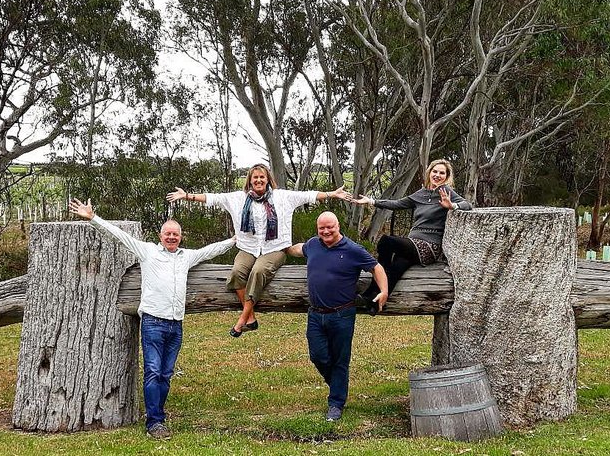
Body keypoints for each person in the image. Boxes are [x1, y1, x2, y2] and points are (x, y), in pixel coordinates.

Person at [68, 198, 235, 440]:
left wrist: (234, 241)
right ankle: (154, 422)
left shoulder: (186, 257)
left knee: (166, 374)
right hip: (153, 322)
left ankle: (158, 414)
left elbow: (210, 250)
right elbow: (119, 236)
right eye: (168, 234)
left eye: (175, 234)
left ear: (180, 237)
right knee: (153, 372)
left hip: (176, 324)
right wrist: (93, 218)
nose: (171, 237)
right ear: (160, 236)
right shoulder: (147, 251)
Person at [166, 163, 348, 337]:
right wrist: (186, 196)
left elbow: (308, 196)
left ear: (268, 179)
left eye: (262, 177)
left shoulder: (282, 197)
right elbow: (212, 198)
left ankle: (243, 317)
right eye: (255, 177)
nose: (259, 180)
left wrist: (332, 194)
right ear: (250, 180)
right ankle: (251, 317)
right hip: (248, 247)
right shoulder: (238, 198)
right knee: (237, 272)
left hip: (275, 248)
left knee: (258, 271)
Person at [286, 211, 388, 422]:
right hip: (315, 314)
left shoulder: (353, 250)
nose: (326, 231)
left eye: (330, 227)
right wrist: (281, 247)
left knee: (340, 360)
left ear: (338, 226)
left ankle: (336, 404)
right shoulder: (313, 245)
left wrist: (384, 291)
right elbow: (297, 249)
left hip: (342, 315)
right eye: (322, 228)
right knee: (318, 356)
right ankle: (337, 386)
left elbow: (376, 268)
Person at [350, 159, 471, 302]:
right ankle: (373, 303)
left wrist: (452, 206)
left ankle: (373, 288)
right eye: (435, 171)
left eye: (442, 173)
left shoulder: (446, 192)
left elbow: (467, 205)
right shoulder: (421, 194)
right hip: (412, 243)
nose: (437, 175)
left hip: (429, 246)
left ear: (446, 176)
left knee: (386, 241)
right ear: (429, 173)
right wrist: (372, 201)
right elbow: (397, 204)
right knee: (396, 268)